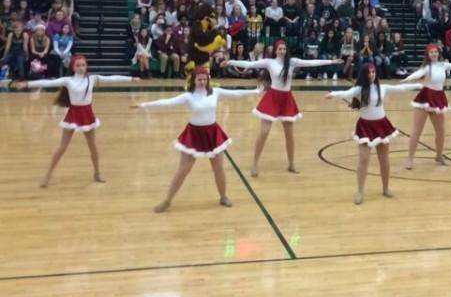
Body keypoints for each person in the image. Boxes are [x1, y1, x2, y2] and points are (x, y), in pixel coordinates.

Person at [136, 67, 261, 212]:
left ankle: (223, 196)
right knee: (182, 170)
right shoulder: (188, 96)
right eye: (199, 79)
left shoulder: (215, 91)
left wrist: (255, 91)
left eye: (204, 79)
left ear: (207, 79)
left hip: (213, 134)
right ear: (193, 80)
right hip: (193, 135)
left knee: (219, 169)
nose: (202, 81)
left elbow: (236, 93)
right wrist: (145, 105)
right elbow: (168, 102)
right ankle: (167, 200)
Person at [16, 55, 137, 187]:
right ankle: (48, 175)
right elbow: (46, 83)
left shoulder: (92, 78)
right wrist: (27, 84)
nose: (81, 68)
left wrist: (131, 78)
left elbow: (112, 78)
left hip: (87, 115)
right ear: (73, 67)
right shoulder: (68, 80)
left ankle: (97, 173)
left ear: (86, 66)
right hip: (73, 114)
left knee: (93, 147)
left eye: (83, 65)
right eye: (78, 65)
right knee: (62, 147)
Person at [225, 39, 341, 176]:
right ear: (275, 50)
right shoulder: (269, 62)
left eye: (284, 49)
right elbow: (250, 64)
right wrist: (230, 62)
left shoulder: (292, 62)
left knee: (289, 135)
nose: (282, 51)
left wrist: (331, 62)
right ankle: (255, 163)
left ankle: (291, 163)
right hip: (272, 98)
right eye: (280, 49)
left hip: (286, 99)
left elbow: (311, 62)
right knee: (264, 132)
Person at [324, 64, 422, 205]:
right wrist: (332, 94)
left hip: (382, 126)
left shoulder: (382, 88)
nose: (372, 74)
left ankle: (386, 188)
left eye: (373, 72)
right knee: (363, 160)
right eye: (369, 72)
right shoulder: (359, 90)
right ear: (364, 74)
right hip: (365, 127)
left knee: (384, 160)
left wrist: (418, 85)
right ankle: (360, 191)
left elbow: (400, 89)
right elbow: (346, 94)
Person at [402, 44, 451, 169]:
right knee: (417, 131)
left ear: (438, 53)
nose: (434, 54)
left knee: (441, 131)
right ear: (428, 55)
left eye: (435, 52)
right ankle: (410, 159)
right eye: (431, 52)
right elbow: (418, 73)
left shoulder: (443, 65)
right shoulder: (427, 67)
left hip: (438, 98)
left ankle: (439, 156)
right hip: (425, 97)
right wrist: (408, 78)